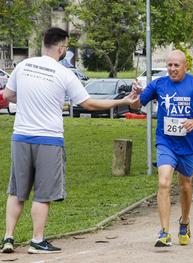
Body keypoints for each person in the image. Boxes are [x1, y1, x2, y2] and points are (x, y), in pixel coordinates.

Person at [1, 27, 135, 254]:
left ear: (44, 44)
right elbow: (88, 104)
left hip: (21, 136)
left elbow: (8, 95)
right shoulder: (64, 74)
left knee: (17, 191)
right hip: (49, 139)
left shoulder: (22, 66)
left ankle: (8, 238)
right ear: (62, 49)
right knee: (43, 193)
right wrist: (120, 102)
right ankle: (37, 240)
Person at [130, 50, 193, 247]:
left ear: (185, 66)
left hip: (188, 144)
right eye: (169, 65)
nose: (172, 69)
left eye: (176, 65)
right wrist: (136, 96)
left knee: (185, 184)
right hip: (166, 142)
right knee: (163, 182)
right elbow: (137, 105)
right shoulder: (159, 84)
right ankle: (163, 232)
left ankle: (184, 222)